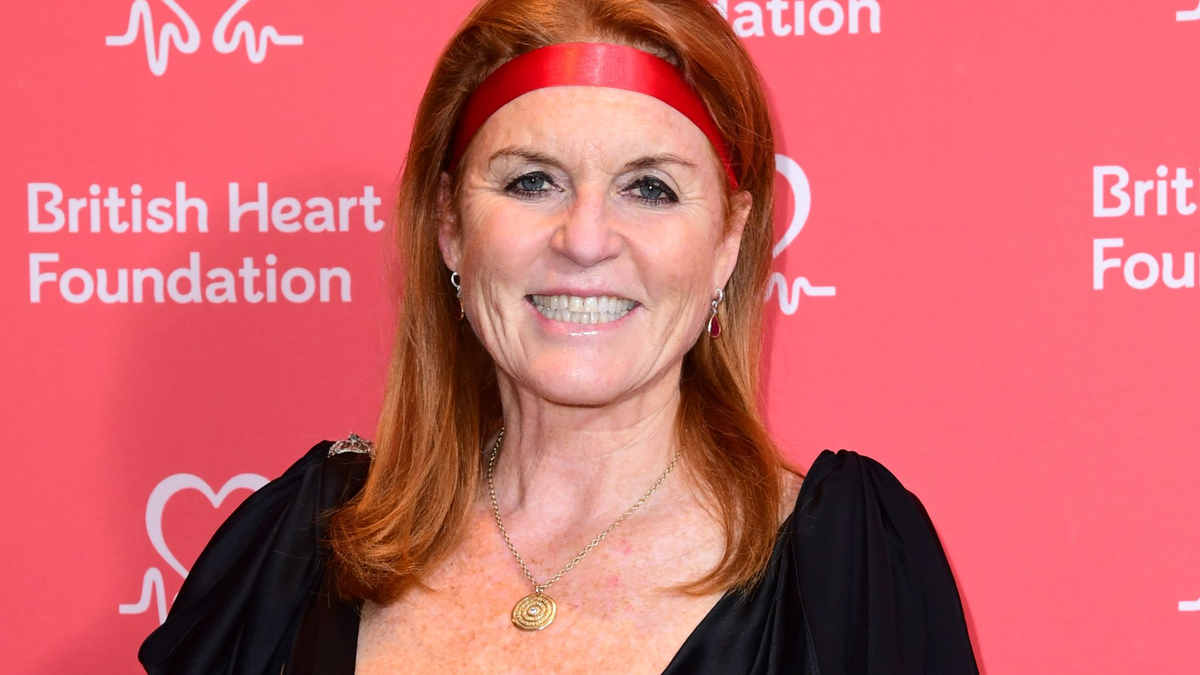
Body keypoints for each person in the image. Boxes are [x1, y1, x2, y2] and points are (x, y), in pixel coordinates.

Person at [138, 0, 980, 673]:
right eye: (532, 180)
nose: (584, 239)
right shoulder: (299, 547)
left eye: (650, 188)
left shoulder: (849, 572)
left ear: (727, 242)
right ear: (450, 225)